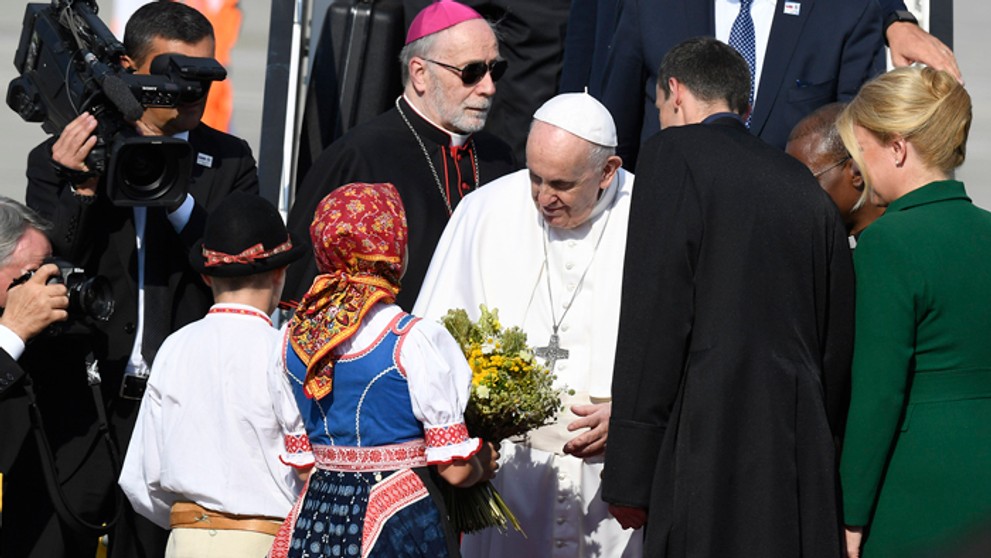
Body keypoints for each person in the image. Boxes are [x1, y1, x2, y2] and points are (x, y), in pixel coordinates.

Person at [15, 3, 260, 557]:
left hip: (178, 415)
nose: (192, 92)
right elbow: (48, 269)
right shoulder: (61, 155)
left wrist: (174, 194)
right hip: (80, 404)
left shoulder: (228, 161)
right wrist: (79, 188)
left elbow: (238, 271)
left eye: (205, 77)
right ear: (129, 68)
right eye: (176, 76)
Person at [602, 38, 855, 557]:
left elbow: (655, 318)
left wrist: (630, 472)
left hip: (707, 441)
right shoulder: (802, 183)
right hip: (797, 456)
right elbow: (835, 341)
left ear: (675, 92)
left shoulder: (673, 154)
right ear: (747, 106)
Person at [414, 92, 641, 557]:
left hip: (608, 491)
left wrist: (635, 418)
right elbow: (428, 346)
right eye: (535, 177)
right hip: (509, 481)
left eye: (561, 184)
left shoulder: (652, 216)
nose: (542, 197)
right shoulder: (485, 210)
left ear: (608, 171)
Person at [271, 182, 497, 558]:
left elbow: (304, 468)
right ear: (392, 250)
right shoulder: (412, 338)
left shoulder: (290, 339)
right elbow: (454, 470)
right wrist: (483, 463)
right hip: (398, 522)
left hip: (319, 527)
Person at [835, 66, 991, 558]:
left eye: (863, 151)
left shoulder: (887, 243)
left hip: (917, 492)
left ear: (898, 149)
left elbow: (878, 395)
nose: (859, 170)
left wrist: (851, 514)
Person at [283, 0, 516, 312]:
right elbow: (309, 293)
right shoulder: (358, 156)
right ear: (420, 73)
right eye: (471, 72)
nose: (488, 88)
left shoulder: (500, 158)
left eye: (495, 70)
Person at [118, 193, 308, 557]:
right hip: (265, 542)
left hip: (185, 540)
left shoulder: (173, 347)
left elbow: (140, 478)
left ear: (206, 276)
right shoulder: (284, 353)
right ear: (279, 273)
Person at [568, 0, 885, 168]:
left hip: (784, 238)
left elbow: (857, 148)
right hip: (673, 226)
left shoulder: (845, 11)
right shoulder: (652, 7)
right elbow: (618, 130)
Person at [0, 198, 68, 473]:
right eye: (33, 273)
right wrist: (12, 331)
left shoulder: (41, 339)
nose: (45, 286)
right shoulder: (14, 332)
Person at [786, 102, 885, 246]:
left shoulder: (892, 242)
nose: (797, 195)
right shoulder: (817, 243)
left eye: (807, 182)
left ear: (856, 172)